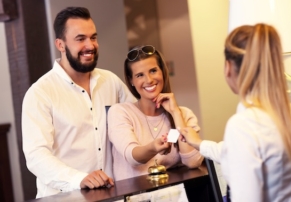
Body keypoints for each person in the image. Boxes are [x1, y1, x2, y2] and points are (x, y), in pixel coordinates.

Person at [179, 24, 291, 201]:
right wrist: (199, 144)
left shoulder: (243, 125)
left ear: (228, 67)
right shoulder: (289, 113)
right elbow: (235, 150)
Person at [22, 7, 135, 198]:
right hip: (63, 198)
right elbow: (36, 156)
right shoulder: (40, 93)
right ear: (60, 44)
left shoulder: (111, 82)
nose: (90, 45)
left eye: (93, 37)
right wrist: (79, 179)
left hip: (112, 195)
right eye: (80, 39)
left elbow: (136, 120)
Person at [107, 45, 204, 181]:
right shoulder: (120, 112)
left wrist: (175, 113)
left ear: (163, 72)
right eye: (140, 75)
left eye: (153, 71)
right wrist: (153, 147)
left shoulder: (184, 114)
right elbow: (132, 156)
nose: (149, 80)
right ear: (131, 81)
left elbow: (193, 162)